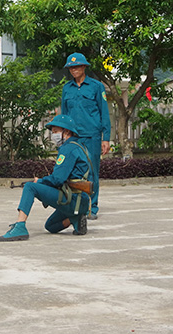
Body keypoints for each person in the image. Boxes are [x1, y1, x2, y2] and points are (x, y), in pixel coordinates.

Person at [0, 114, 91, 241]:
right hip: (82, 202)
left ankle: (20, 226)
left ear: (66, 131)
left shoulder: (68, 149)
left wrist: (40, 181)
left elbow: (58, 179)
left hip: (72, 199)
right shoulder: (81, 147)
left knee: (30, 187)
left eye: (56, 131)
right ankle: (75, 218)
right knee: (50, 226)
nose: (53, 135)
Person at [60, 52, 111, 219]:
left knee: (92, 172)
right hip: (73, 137)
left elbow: (104, 113)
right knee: (72, 172)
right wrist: (64, 135)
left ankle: (92, 208)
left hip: (92, 136)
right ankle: (75, 205)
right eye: (71, 67)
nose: (74, 69)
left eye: (77, 66)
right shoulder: (67, 88)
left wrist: (106, 138)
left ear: (84, 67)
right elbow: (64, 115)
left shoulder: (96, 87)